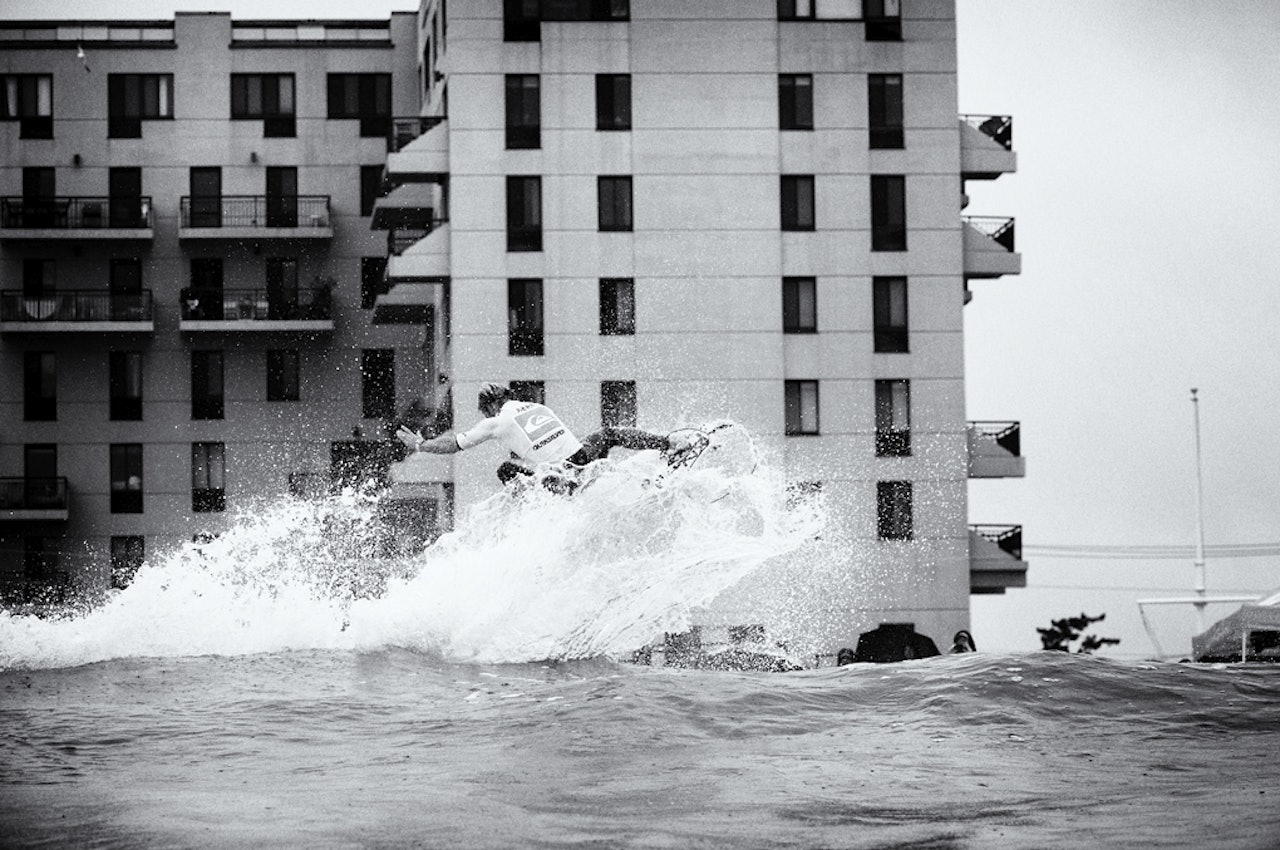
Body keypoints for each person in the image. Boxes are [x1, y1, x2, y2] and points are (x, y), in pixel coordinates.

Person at [396, 382, 697, 491]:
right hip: (583, 456)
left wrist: (421, 444)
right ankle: (670, 444)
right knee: (609, 434)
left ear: (489, 407)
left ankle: (545, 506)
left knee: (506, 470)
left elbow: (455, 444)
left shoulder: (497, 421)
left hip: (563, 474)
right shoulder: (535, 406)